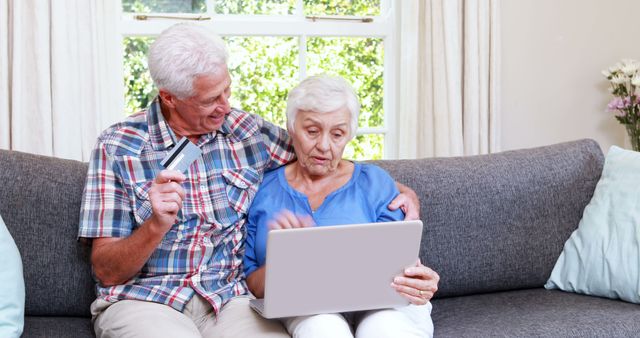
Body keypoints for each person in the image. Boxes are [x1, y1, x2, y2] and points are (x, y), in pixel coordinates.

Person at [78, 23, 420, 338]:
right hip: (147, 300)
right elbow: (106, 271)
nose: (226, 107)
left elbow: (323, 153)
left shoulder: (246, 133)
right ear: (169, 97)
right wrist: (155, 225)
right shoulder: (119, 147)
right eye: (211, 100)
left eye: (227, 91)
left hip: (230, 300)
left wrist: (400, 191)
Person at [243, 75, 439, 338]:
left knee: (383, 328)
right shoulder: (264, 190)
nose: (324, 146)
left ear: (349, 135)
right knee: (322, 327)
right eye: (312, 131)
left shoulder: (374, 182)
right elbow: (254, 285)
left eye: (337, 134)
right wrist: (293, 258)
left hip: (385, 307)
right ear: (291, 127)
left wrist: (417, 281)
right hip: (308, 307)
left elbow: (398, 263)